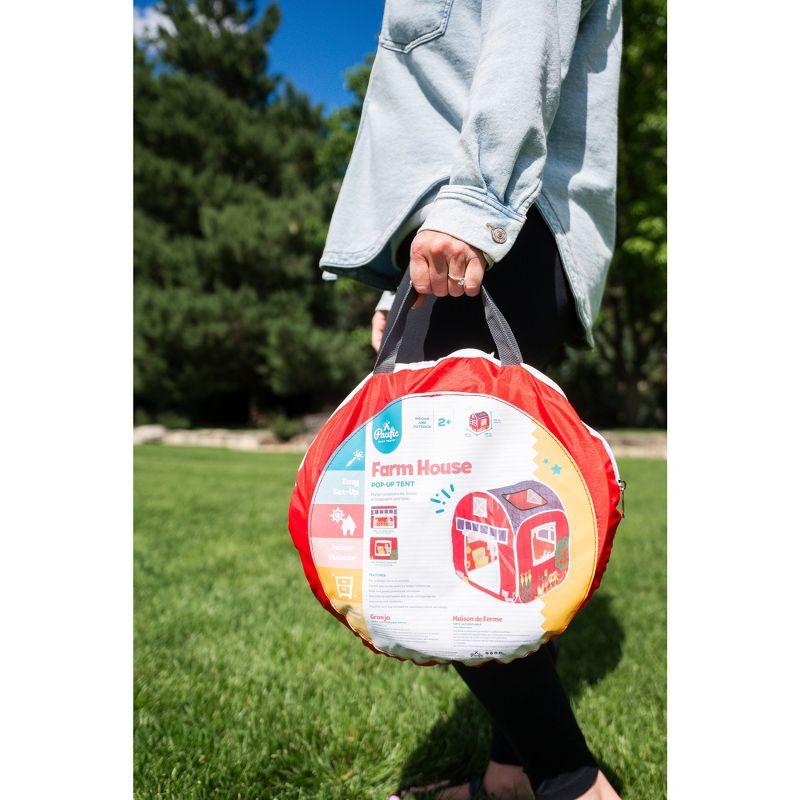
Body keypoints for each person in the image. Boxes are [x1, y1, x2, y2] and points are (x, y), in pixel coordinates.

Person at [320, 1, 623, 798]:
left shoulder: (482, 210)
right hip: (492, 224)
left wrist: (472, 206)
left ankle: (572, 784)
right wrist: (402, 272)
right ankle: (513, 778)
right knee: (483, 502)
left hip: (503, 220)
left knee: (437, 514)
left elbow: (529, 32)